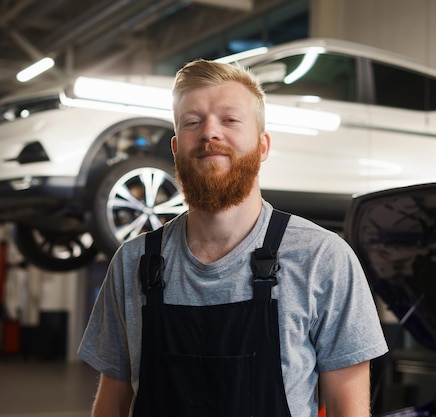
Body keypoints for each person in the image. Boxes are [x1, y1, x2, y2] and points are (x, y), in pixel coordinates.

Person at [78, 59, 389, 417]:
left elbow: (345, 409)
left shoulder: (322, 257)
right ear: (176, 150)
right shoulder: (133, 263)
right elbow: (111, 406)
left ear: (263, 146)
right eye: (193, 122)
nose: (210, 132)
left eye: (230, 120)